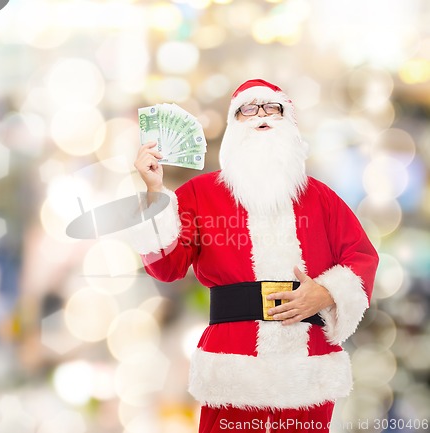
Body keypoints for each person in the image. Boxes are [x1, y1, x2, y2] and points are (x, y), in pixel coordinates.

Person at [132, 79, 379, 432]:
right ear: (234, 126)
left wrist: (326, 293)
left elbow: (362, 256)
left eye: (271, 107)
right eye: (249, 108)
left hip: (306, 369)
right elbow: (165, 267)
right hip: (233, 367)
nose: (261, 115)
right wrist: (155, 192)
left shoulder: (321, 198)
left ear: (288, 122)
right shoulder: (200, 195)